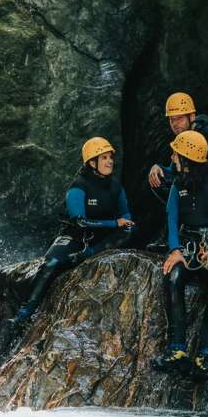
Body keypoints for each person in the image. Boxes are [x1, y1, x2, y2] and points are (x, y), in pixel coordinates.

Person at [10, 137, 135, 328]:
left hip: (98, 240)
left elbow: (126, 217)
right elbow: (80, 222)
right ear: (92, 163)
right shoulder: (78, 187)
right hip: (75, 235)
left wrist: (122, 223)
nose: (110, 161)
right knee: (51, 263)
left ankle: (88, 255)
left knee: (130, 229)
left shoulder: (116, 187)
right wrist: (114, 223)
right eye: (104, 158)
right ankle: (24, 312)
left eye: (110, 157)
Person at [152, 129, 208, 378]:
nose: (172, 157)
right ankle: (177, 349)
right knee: (173, 277)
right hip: (189, 243)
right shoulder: (178, 183)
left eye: (176, 154)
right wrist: (175, 250)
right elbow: (171, 217)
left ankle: (205, 355)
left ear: (187, 158)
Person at [147, 91, 208, 224]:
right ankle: (185, 222)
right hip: (197, 193)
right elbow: (174, 173)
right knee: (157, 179)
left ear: (192, 116)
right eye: (171, 120)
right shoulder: (182, 139)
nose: (175, 124)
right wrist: (158, 168)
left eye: (180, 118)